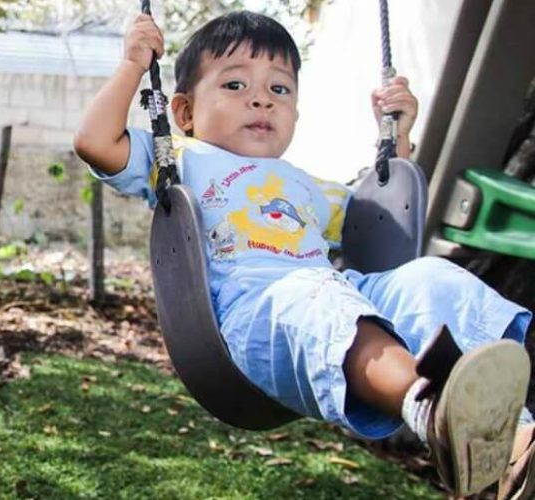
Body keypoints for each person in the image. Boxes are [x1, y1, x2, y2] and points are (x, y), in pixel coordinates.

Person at [73, 11, 534, 498]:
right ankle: (430, 409)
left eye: (280, 90)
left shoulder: (305, 185)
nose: (260, 99)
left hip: (327, 293)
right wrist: (131, 65)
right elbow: (95, 142)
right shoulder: (181, 158)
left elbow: (379, 221)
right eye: (234, 85)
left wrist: (394, 135)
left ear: (295, 113)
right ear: (184, 112)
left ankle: (515, 444)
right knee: (323, 298)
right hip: (254, 315)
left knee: (431, 279)